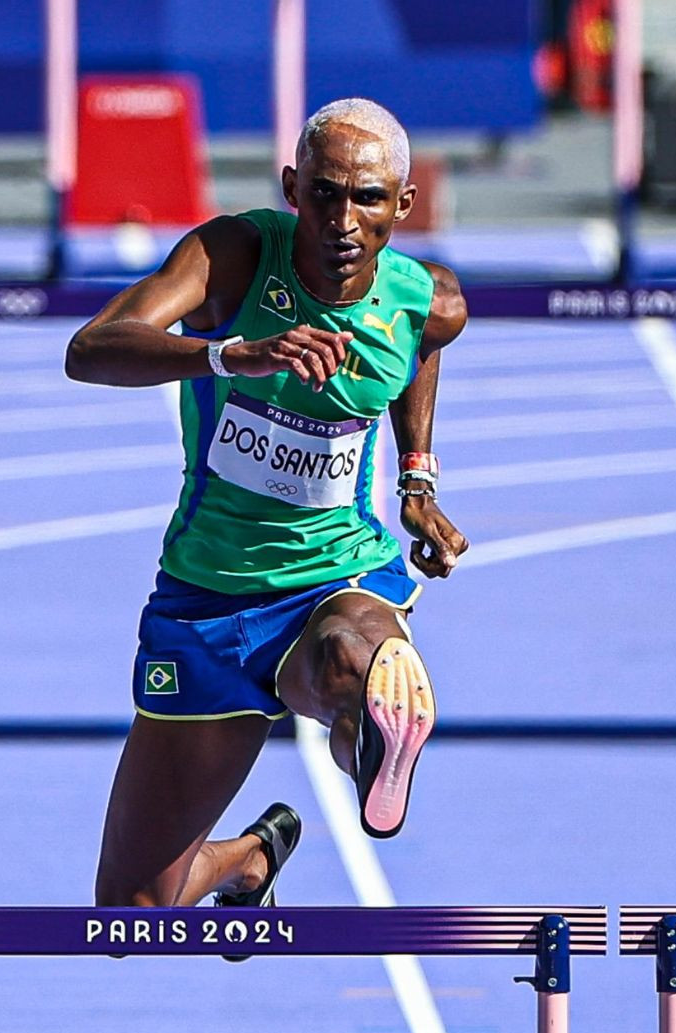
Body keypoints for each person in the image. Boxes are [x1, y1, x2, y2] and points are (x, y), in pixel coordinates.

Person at [66, 99, 469, 924]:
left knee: (351, 657)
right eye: (324, 194)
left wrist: (417, 483)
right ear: (292, 187)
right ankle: (249, 857)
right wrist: (228, 355)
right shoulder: (235, 257)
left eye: (367, 199)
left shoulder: (427, 301)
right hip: (206, 599)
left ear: (404, 203)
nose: (343, 221)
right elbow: (89, 351)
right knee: (130, 913)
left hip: (336, 572)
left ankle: (365, 728)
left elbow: (421, 350)